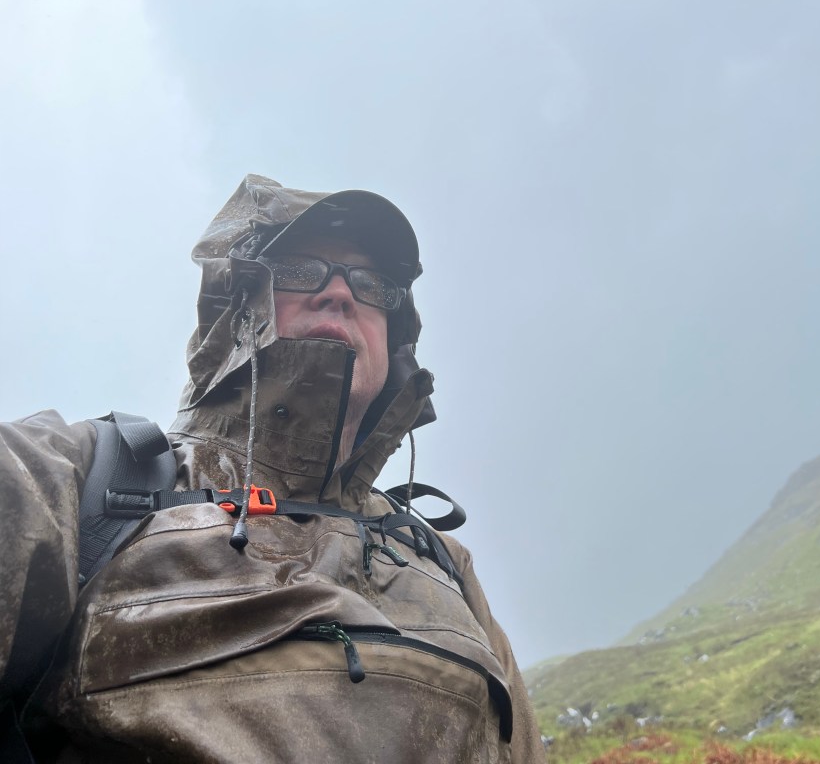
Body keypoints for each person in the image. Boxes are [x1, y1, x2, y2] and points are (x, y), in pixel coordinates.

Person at [0, 174, 545, 762]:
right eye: (299, 270)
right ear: (235, 306)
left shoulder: (444, 563)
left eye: (369, 283)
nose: (340, 293)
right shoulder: (85, 477)